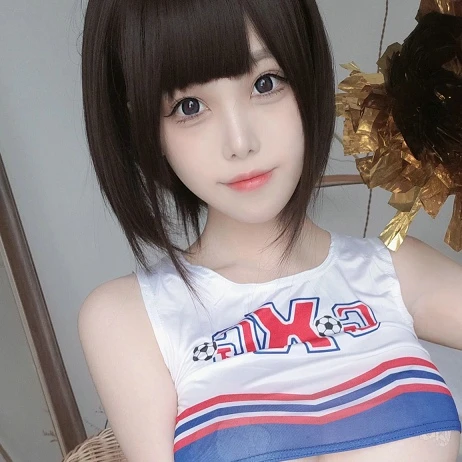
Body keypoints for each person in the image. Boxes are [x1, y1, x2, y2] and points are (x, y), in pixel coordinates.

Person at [77, 0, 462, 461]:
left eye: (265, 83)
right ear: (143, 126)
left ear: (306, 75)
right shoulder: (131, 317)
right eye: (189, 106)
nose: (241, 143)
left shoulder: (398, 271)